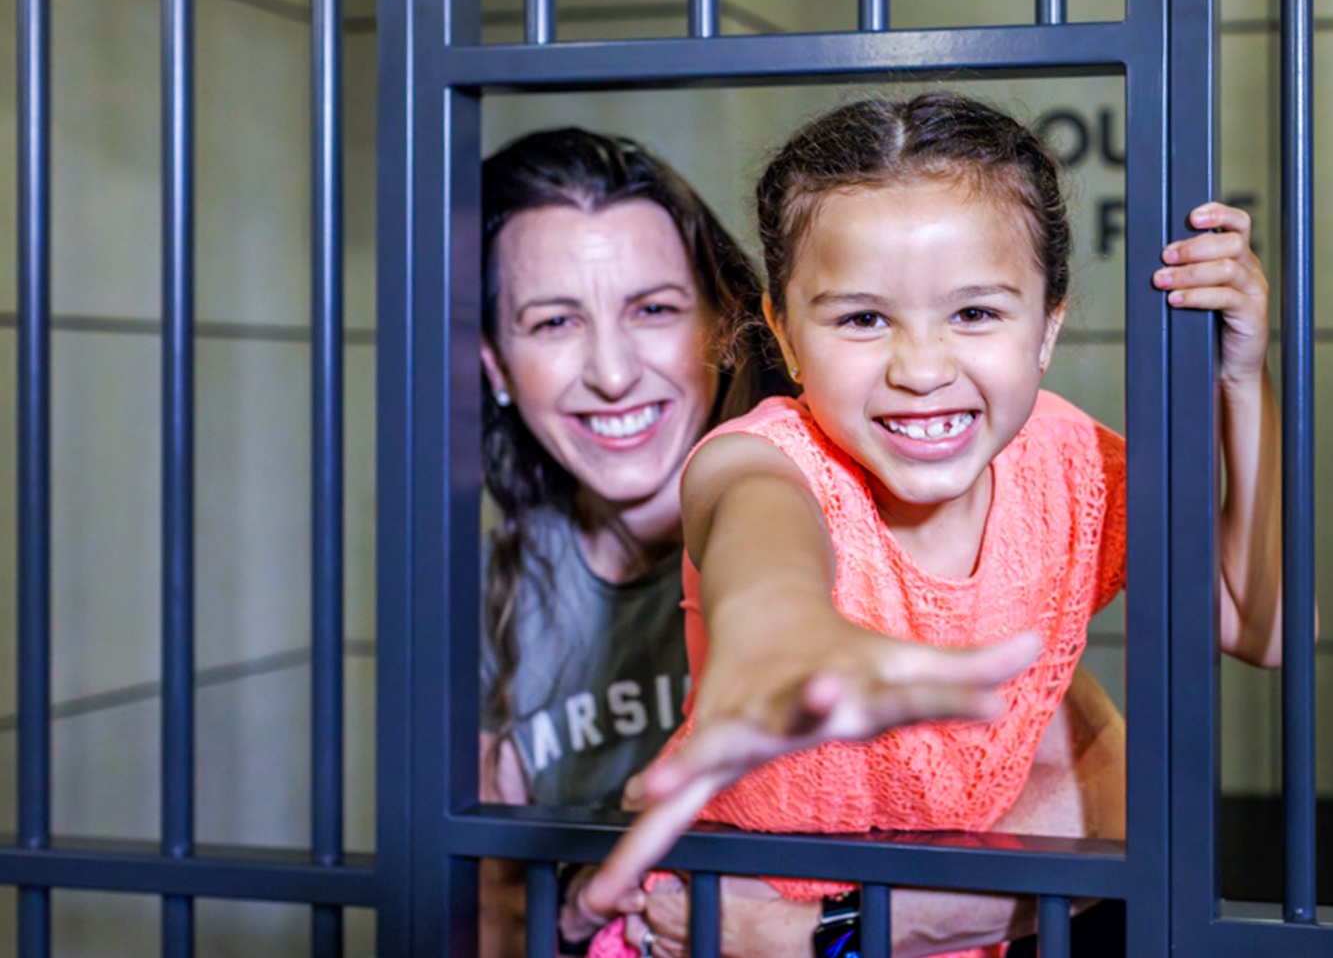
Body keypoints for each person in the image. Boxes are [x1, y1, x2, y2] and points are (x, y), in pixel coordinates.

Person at [581, 92, 1287, 957]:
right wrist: (778, 626)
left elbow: (1263, 624)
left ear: (1048, 325)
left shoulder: (1073, 464)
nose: (921, 368)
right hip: (710, 927)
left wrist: (1241, 381)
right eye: (863, 318)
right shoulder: (762, 460)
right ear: (785, 334)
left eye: (976, 312)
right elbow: (760, 541)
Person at [475, 126, 785, 956]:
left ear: (725, 323)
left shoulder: (850, 524)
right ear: (496, 364)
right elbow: (486, 918)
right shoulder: (480, 596)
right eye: (553, 322)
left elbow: (1100, 837)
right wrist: (580, 914)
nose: (611, 373)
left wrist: (806, 933)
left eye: (653, 310)